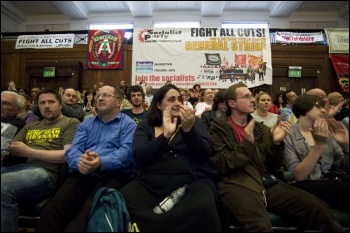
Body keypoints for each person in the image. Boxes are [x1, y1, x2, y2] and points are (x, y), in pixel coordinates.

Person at [209, 82, 343, 232]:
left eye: (251, 96)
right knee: (259, 225)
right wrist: (247, 143)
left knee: (317, 209)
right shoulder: (218, 128)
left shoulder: (260, 129)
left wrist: (276, 143)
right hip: (236, 183)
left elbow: (272, 165)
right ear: (232, 103)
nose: (252, 100)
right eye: (246, 97)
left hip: (266, 180)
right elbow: (223, 164)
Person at [119, 84, 222, 232]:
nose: (177, 103)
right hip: (151, 182)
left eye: (179, 99)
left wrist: (188, 130)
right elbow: (140, 156)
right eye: (171, 99)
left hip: (191, 180)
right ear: (159, 105)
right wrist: (165, 135)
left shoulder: (194, 122)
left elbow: (204, 155)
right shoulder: (146, 125)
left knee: (204, 207)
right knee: (122, 200)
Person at [36, 86, 137, 232]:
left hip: (113, 174)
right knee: (53, 209)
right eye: (98, 96)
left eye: (106, 95)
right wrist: (80, 162)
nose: (100, 98)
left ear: (119, 102)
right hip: (83, 171)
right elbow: (73, 150)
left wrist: (100, 162)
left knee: (87, 212)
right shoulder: (87, 123)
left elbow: (126, 154)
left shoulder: (128, 124)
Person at [1, 89, 80, 232]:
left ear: (60, 105)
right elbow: (11, 147)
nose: (46, 106)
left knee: (2, 187)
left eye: (51, 102)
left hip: (46, 173)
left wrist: (29, 152)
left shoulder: (70, 122)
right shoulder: (30, 126)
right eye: (42, 103)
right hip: (20, 169)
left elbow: (67, 155)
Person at [283, 94, 349, 211]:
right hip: (304, 185)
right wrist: (319, 145)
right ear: (304, 107)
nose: (323, 110)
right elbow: (299, 175)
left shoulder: (326, 132)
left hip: (330, 180)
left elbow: (343, 166)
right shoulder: (288, 134)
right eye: (318, 107)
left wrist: (346, 146)